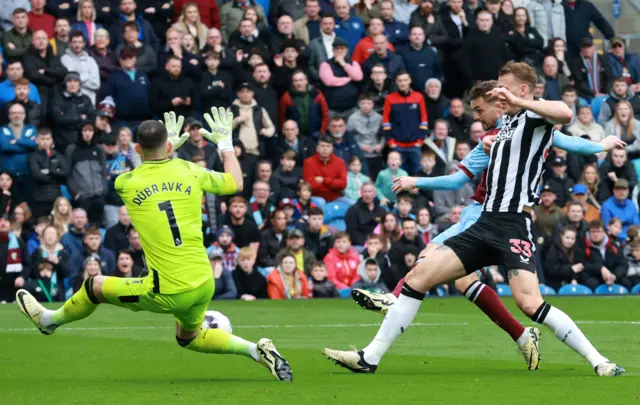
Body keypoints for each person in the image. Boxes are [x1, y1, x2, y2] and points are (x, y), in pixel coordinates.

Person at [325, 71, 625, 376]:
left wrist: (599, 146)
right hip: (483, 222)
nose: (498, 96)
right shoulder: (498, 130)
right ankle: (370, 357)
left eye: (503, 90)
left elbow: (565, 116)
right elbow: (460, 176)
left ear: (521, 89)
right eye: (495, 93)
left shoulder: (534, 120)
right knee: (419, 277)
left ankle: (599, 361)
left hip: (513, 225)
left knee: (530, 303)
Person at [17, 107, 292, 379]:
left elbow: (149, 174)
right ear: (169, 145)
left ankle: (48, 322)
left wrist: (167, 151)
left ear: (137, 149)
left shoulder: (126, 182)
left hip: (167, 289)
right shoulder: (191, 170)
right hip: (202, 280)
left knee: (94, 287)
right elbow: (235, 182)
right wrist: (225, 143)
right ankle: (257, 350)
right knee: (188, 337)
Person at [382, 71, 428, 174]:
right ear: (396, 82)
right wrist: (390, 142)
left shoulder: (418, 97)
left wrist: (420, 141)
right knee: (396, 176)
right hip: (397, 145)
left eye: (405, 80)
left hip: (415, 145)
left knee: (419, 175)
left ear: (410, 81)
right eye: (400, 80)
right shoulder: (390, 99)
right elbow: (386, 122)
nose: (403, 83)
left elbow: (424, 121)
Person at [459, 9, 509, 89]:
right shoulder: (470, 37)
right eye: (481, 20)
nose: (484, 23)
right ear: (477, 21)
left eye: (487, 20)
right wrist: (471, 80)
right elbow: (464, 60)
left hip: (496, 81)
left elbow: (506, 57)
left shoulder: (498, 37)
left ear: (492, 22)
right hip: (477, 82)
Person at [430, 0, 469, 99]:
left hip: (465, 57)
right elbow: (438, 37)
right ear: (448, 3)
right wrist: (458, 41)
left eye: (459, 2)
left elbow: (470, 35)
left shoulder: (467, 14)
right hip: (448, 57)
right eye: (453, 2)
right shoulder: (442, 16)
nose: (456, 5)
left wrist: (464, 21)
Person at [28, 127, 68, 219]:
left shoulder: (58, 155)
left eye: (47, 139)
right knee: (41, 225)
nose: (45, 142)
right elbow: (38, 176)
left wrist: (50, 171)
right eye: (42, 139)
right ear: (37, 140)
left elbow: (65, 173)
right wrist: (56, 176)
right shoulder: (33, 156)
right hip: (39, 198)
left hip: (56, 197)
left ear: (52, 140)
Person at [319, 37, 363, 119]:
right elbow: (329, 81)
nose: (339, 51)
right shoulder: (325, 64)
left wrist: (343, 64)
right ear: (333, 50)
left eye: (342, 48)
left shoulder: (353, 63)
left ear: (346, 50)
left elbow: (358, 77)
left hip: (352, 108)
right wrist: (348, 79)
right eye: (337, 48)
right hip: (332, 109)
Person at [576, 219, 626, 290]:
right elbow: (580, 265)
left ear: (604, 232)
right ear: (588, 233)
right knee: (592, 283)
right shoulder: (582, 245)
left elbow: (622, 264)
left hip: (611, 275)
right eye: (593, 232)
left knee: (625, 282)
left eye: (599, 231)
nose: (596, 234)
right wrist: (600, 268)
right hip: (591, 276)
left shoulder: (613, 245)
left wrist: (615, 275)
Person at [279, 70, 329, 139]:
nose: (299, 83)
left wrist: (322, 131)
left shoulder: (317, 94)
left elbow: (325, 115)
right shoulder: (287, 97)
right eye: (296, 81)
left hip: (316, 133)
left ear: (306, 81)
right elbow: (282, 117)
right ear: (293, 83)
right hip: (295, 135)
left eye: (301, 80)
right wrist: (286, 133)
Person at [150, 55, 197, 120]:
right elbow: (153, 105)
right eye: (173, 66)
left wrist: (189, 102)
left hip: (186, 121)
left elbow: (197, 102)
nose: (176, 69)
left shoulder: (188, 82)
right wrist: (171, 103)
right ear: (166, 67)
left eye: (178, 66)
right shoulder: (157, 82)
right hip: (166, 121)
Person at [396, 26, 441, 92]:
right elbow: (399, 72)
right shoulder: (400, 51)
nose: (417, 36)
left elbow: (439, 72)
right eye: (414, 34)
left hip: (429, 91)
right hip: (409, 91)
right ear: (409, 37)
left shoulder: (431, 52)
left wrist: (434, 86)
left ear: (424, 37)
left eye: (420, 34)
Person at [302, 135, 347, 202]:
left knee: (351, 203)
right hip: (316, 197)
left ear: (332, 149)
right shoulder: (308, 162)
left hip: (336, 197)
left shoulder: (340, 162)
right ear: (317, 148)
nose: (325, 149)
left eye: (328, 146)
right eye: (322, 146)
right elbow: (310, 185)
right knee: (321, 202)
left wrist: (324, 180)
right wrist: (333, 184)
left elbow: (343, 184)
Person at [60, 31, 100, 106]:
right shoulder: (65, 59)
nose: (77, 45)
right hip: (71, 101)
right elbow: (70, 79)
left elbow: (96, 84)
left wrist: (78, 79)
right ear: (70, 43)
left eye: (80, 42)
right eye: (74, 42)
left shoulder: (90, 60)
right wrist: (86, 76)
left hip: (89, 101)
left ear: (84, 44)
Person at [569, 36, 612, 101]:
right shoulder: (576, 62)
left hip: (603, 94)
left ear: (594, 47)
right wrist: (593, 94)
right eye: (584, 47)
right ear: (581, 48)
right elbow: (579, 82)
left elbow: (608, 78)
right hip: (585, 96)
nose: (586, 50)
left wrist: (606, 93)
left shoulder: (603, 59)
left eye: (589, 47)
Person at [544, 226, 582, 290]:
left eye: (572, 238)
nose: (569, 241)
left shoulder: (576, 250)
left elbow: (579, 267)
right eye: (567, 237)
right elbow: (551, 270)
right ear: (561, 236)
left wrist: (574, 279)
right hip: (553, 283)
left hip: (570, 282)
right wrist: (571, 269)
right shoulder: (553, 249)